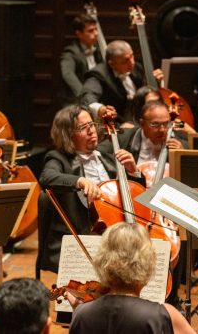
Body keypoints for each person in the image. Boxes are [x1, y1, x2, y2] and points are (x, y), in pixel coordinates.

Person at [38, 104, 145, 273]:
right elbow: (46, 177)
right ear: (68, 135)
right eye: (83, 127)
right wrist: (79, 181)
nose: (91, 131)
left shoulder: (108, 157)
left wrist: (133, 171)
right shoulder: (58, 159)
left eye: (91, 125)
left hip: (116, 234)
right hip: (84, 238)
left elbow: (133, 195)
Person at [66, 222, 195, 334]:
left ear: (102, 261)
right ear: (147, 263)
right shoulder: (164, 315)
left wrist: (78, 312)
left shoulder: (82, 314)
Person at [80, 40, 152, 123]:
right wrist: (100, 108)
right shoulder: (98, 74)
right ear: (112, 64)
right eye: (125, 60)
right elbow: (88, 96)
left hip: (140, 118)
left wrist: (154, 80)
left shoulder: (137, 67)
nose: (132, 62)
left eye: (132, 56)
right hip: (118, 123)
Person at [58, 14, 104, 107]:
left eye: (96, 29)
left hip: (96, 97)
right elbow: (67, 74)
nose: (96, 34)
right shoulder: (70, 53)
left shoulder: (98, 51)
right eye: (90, 31)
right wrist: (84, 95)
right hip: (77, 101)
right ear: (79, 34)